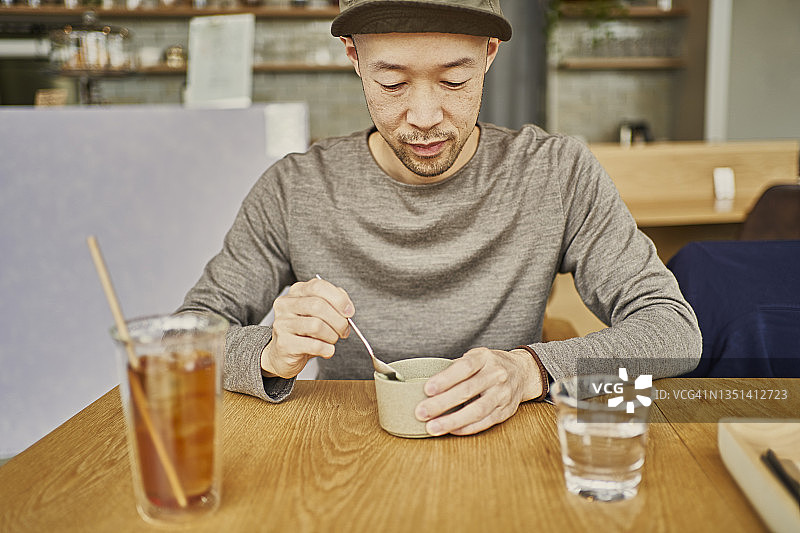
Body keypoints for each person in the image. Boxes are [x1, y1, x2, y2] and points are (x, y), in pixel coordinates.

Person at [178, 0, 701, 437]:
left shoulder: (555, 173)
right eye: (392, 84)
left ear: (489, 54)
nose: (425, 119)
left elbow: (674, 331)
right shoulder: (296, 189)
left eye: (453, 81)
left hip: (508, 448)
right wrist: (268, 352)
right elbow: (183, 337)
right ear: (354, 57)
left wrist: (531, 371)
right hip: (350, 451)